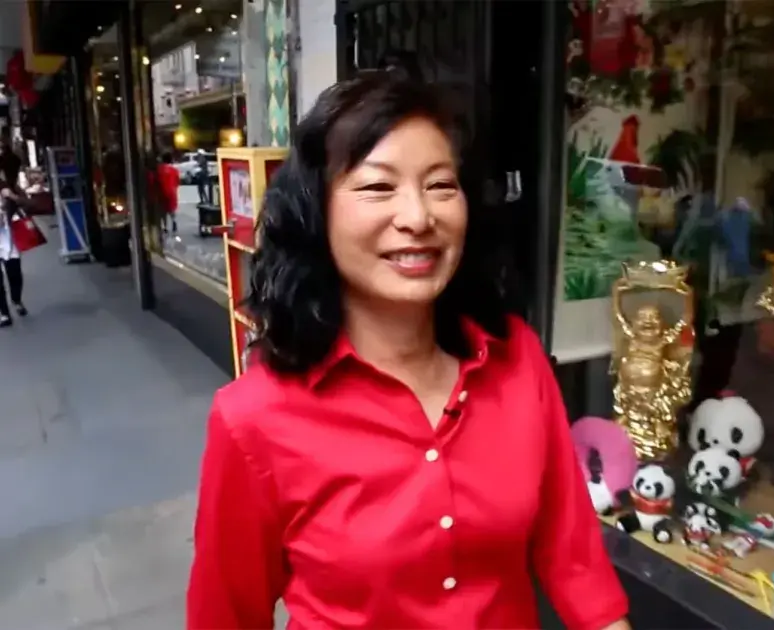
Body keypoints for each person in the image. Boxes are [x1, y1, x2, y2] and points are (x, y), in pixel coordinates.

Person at [186, 75, 629, 630]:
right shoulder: (252, 418)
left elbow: (574, 560)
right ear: (316, 212)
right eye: (377, 188)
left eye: (441, 185)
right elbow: (226, 617)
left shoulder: (516, 359)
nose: (418, 218)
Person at [0, 182, 28, 327]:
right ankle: (4, 313)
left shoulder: (6, 186)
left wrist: (12, 196)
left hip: (9, 241)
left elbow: (28, 203)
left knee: (15, 274)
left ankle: (16, 300)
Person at [155, 152, 180, 232]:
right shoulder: (175, 170)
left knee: (163, 211)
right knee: (172, 209)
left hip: (161, 192)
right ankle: (174, 221)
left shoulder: (159, 169)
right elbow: (177, 181)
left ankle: (165, 226)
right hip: (172, 192)